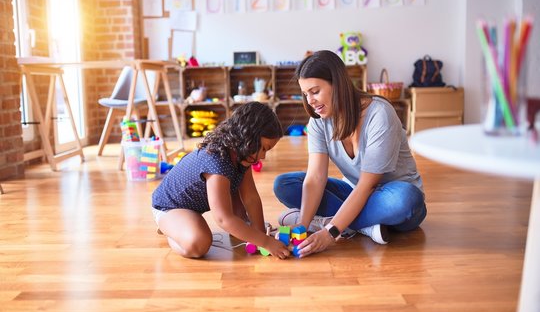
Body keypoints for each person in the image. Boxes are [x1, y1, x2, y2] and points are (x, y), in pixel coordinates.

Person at [273, 50, 426, 258]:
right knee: (284, 184)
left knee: (405, 199)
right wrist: (303, 225)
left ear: (337, 84)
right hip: (355, 194)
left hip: (391, 198)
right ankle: (364, 226)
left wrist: (329, 233)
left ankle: (333, 222)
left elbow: (367, 185)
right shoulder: (318, 122)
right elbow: (316, 177)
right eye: (305, 94)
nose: (310, 100)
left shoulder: (379, 114)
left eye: (315, 91)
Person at [152, 101, 290, 259]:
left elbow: (250, 197)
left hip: (194, 206)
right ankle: (168, 229)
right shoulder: (216, 162)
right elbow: (222, 219)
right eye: (264, 148)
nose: (263, 156)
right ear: (247, 136)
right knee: (199, 243)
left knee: (244, 226)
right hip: (169, 207)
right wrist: (266, 242)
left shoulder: (242, 155)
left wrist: (259, 234)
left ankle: (182, 225)